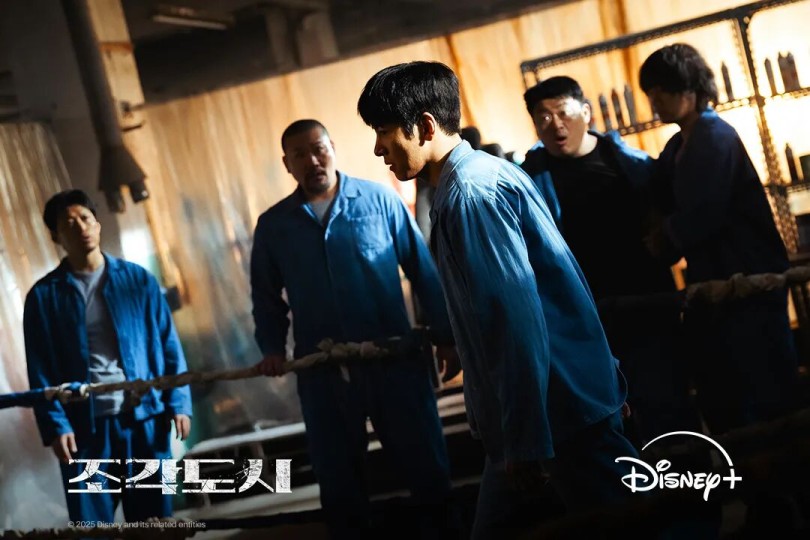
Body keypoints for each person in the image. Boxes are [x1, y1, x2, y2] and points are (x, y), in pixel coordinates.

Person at [358, 62, 639, 538]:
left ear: (425, 126)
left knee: (634, 522)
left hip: (555, 410)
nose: (378, 147)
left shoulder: (472, 195)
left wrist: (525, 439)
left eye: (384, 131)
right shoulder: (476, 179)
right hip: (550, 404)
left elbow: (514, 320)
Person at [251, 119, 459, 537]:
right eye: (300, 155)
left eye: (319, 149)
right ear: (287, 164)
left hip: (394, 361)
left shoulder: (378, 201)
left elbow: (423, 271)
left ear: (332, 147)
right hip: (323, 372)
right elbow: (266, 298)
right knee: (340, 485)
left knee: (427, 470)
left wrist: (445, 337)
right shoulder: (275, 226)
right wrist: (272, 348)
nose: (313, 161)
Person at [520, 76, 697, 445]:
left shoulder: (633, 165)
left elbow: (671, 223)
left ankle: (689, 479)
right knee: (611, 426)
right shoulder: (530, 182)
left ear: (586, 112)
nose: (556, 125)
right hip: (586, 320)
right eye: (544, 118)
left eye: (563, 112)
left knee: (669, 411)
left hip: (649, 307)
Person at [639, 44, 799, 436]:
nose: (655, 100)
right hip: (719, 284)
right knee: (730, 390)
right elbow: (659, 188)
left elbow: (704, 211)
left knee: (764, 392)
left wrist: (664, 238)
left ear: (689, 88)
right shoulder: (680, 143)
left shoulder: (713, 136)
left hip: (747, 281)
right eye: (650, 92)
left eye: (662, 89)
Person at [24, 189, 192, 524]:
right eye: (69, 224)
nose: (81, 228)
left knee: (154, 522)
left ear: (98, 224)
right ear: (56, 237)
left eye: (85, 218)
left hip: (144, 421)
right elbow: (40, 369)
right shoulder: (44, 297)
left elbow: (168, 344)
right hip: (84, 432)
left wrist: (179, 401)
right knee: (92, 526)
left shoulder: (137, 280)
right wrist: (56, 425)